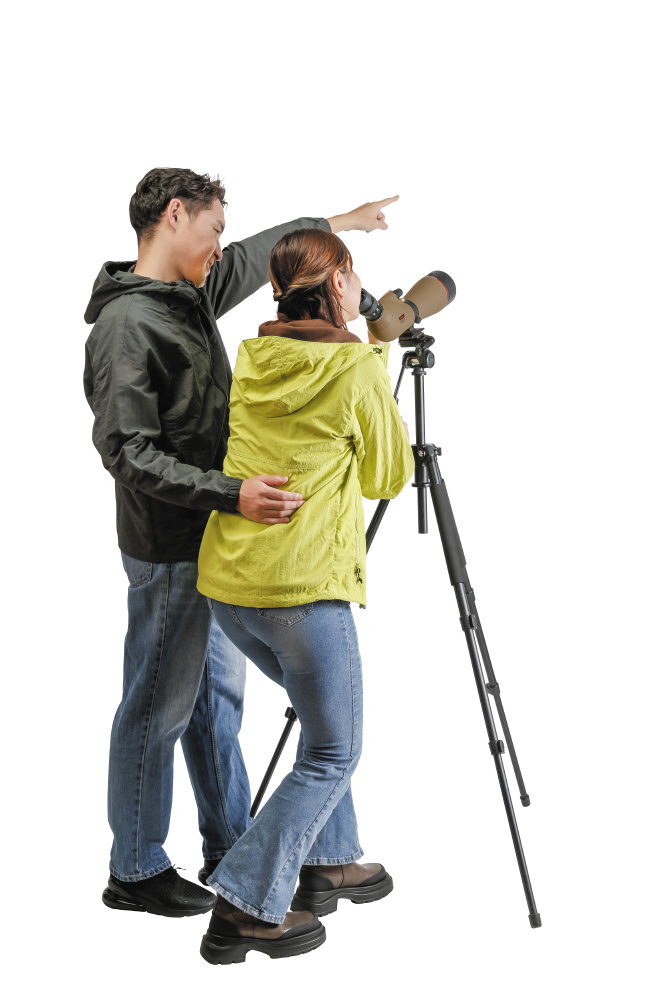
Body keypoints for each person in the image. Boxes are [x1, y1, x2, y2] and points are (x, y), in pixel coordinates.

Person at [83, 167, 399, 917]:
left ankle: (232, 847)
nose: (224, 247)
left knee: (216, 704)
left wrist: (338, 224)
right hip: (170, 542)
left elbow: (264, 256)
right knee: (158, 705)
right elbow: (126, 452)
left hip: (221, 540)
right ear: (175, 215)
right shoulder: (126, 326)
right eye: (215, 229)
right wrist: (232, 493)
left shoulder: (189, 294)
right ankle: (134, 867)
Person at [196, 228, 415, 964]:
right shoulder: (354, 367)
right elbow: (388, 477)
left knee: (319, 722)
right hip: (301, 593)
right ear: (341, 282)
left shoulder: (254, 354)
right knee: (333, 750)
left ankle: (330, 858)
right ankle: (243, 903)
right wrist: (376, 356)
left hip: (231, 590)